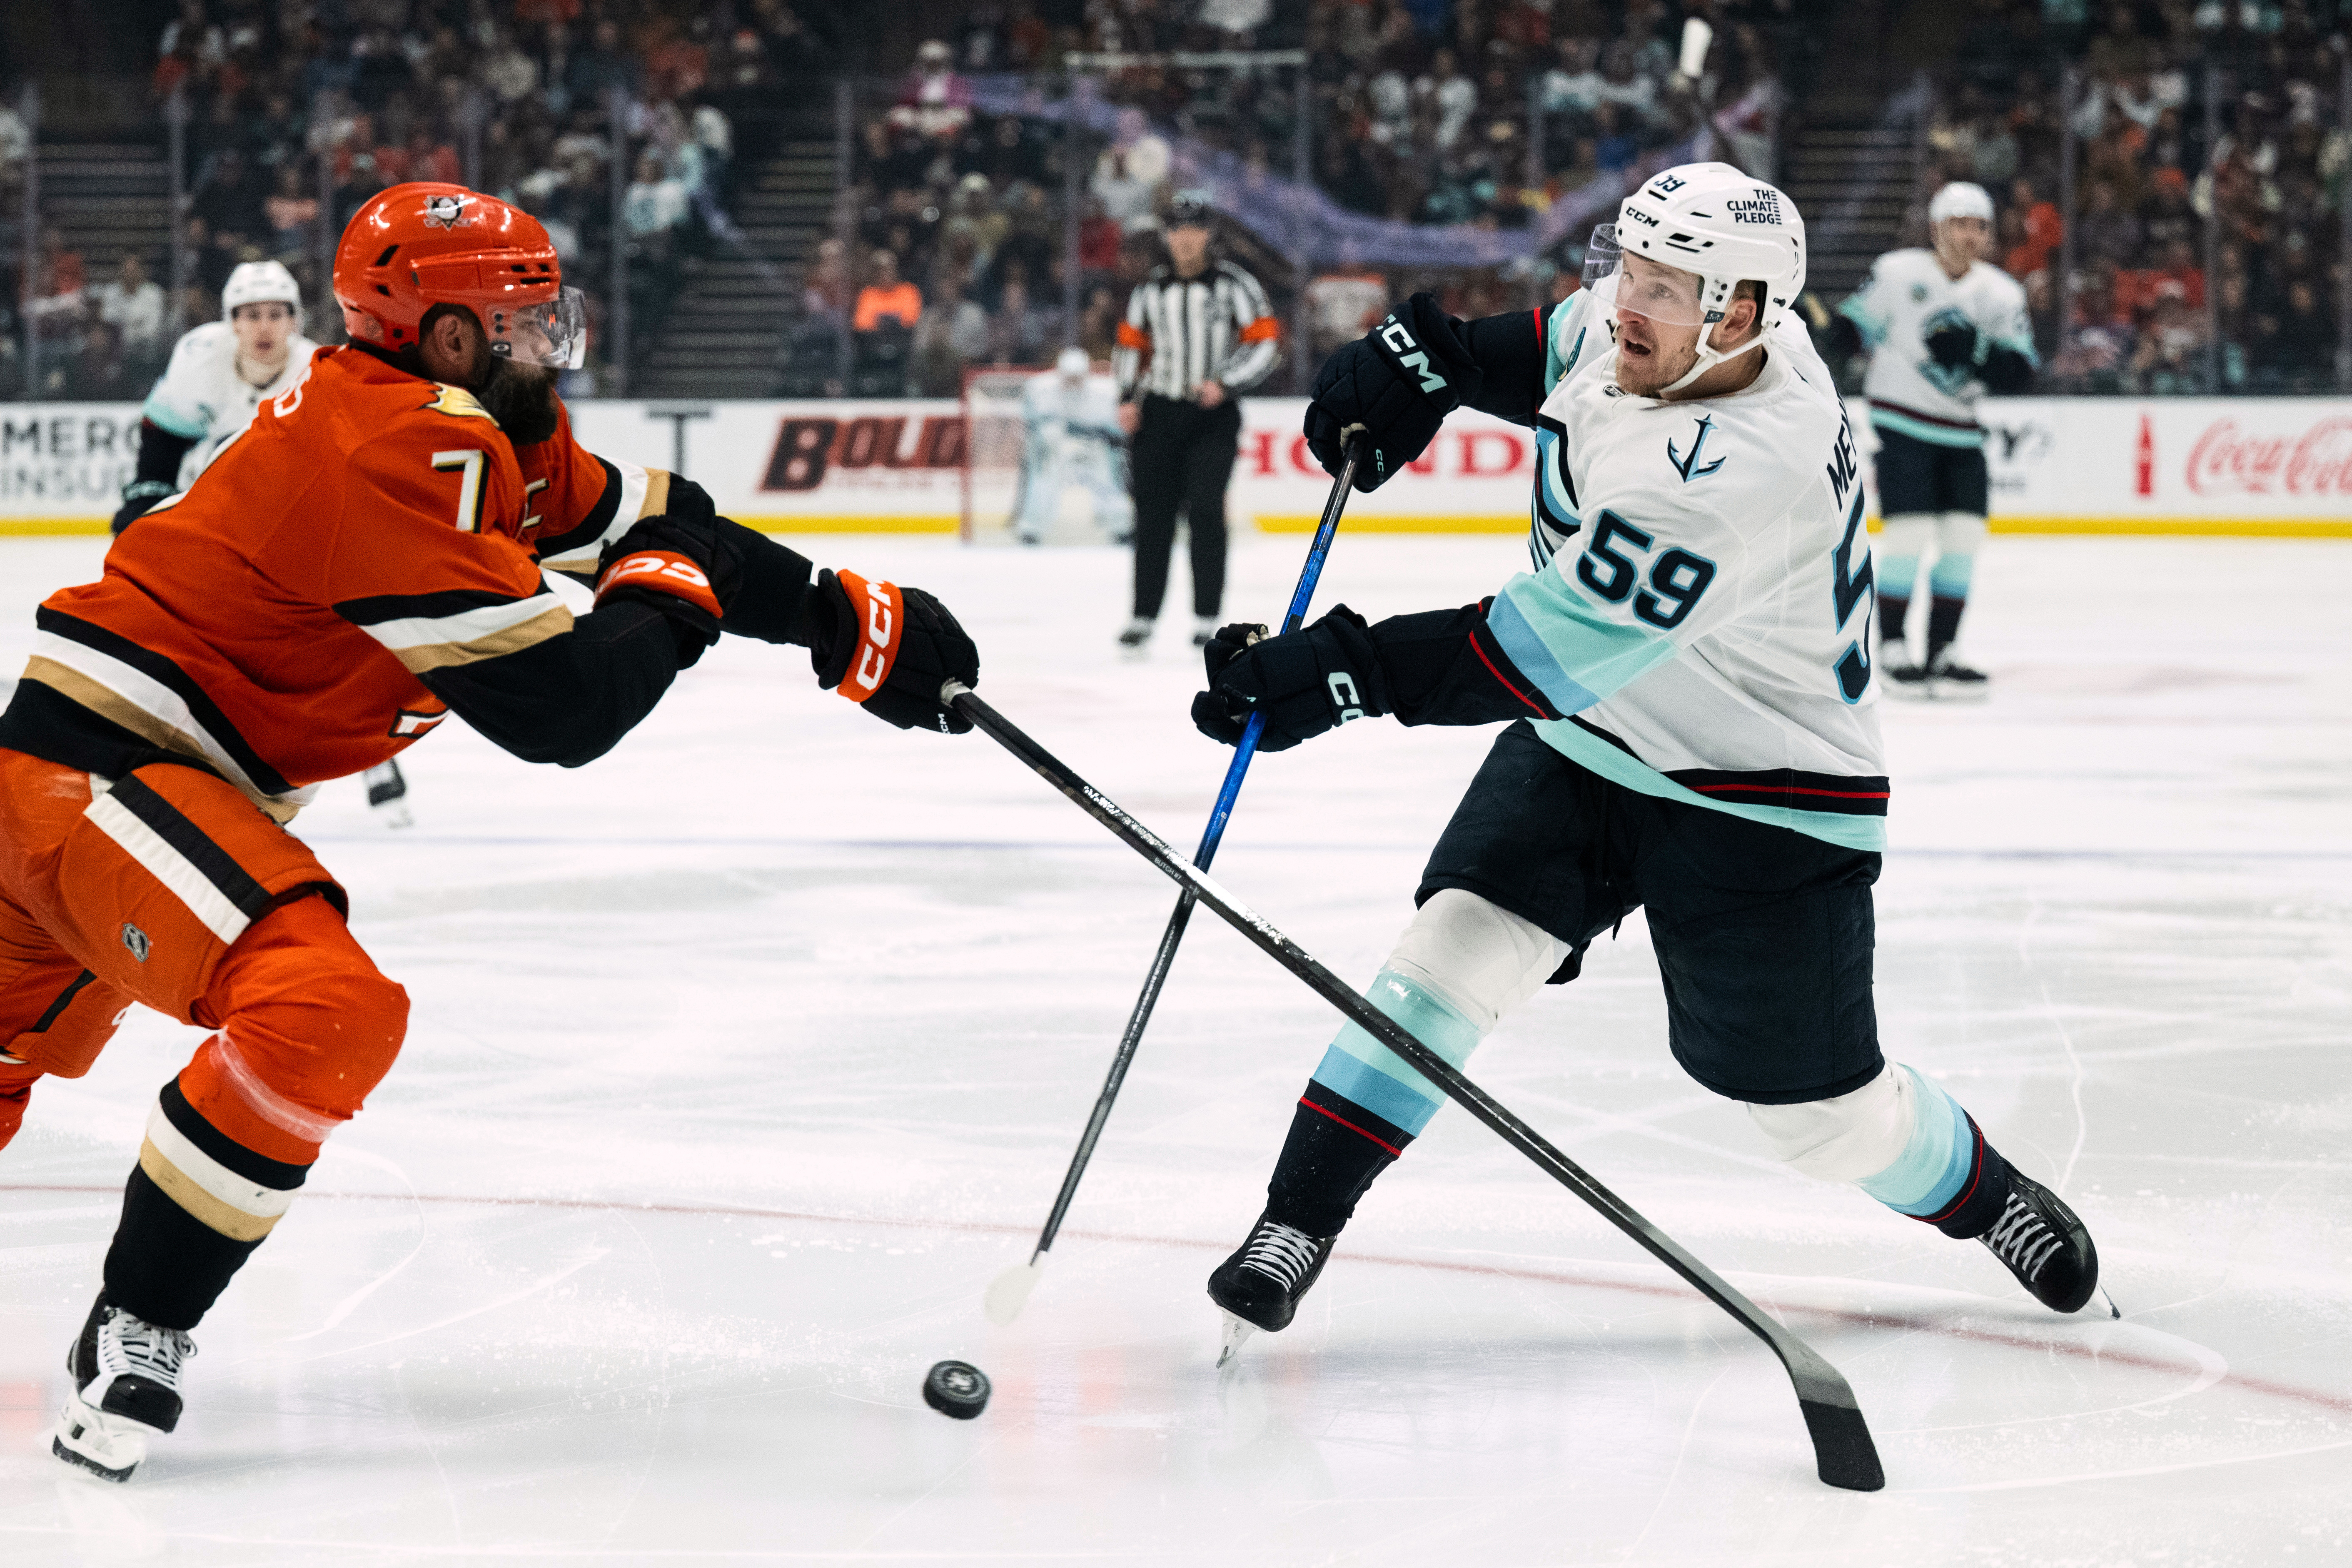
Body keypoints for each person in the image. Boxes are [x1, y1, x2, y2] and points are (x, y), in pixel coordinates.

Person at [0, 182, 981, 1483]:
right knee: (320, 1010)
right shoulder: (396, 444)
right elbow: (562, 709)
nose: (552, 343)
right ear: (451, 334)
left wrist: (839, 616)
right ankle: (143, 1318)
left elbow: (664, 523)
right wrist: (672, 597)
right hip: (103, 779)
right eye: (526, 320)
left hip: (103, 787)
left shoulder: (474, 428)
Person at [1188, 163, 2100, 1361]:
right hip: (1596, 738)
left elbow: (1523, 653)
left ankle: (1986, 1195)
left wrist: (1336, 670)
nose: (1624, 302)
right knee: (1442, 961)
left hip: (1763, 792)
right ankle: (1293, 1222)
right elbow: (1542, 345)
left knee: (1820, 1120)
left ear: (1739, 315)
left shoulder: (1742, 468)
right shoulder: (1663, 335)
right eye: (1628, 268)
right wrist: (1428, 360)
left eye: (1662, 288)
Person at [1823, 182, 2035, 699]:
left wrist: (1978, 352)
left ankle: (1943, 650)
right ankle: (1893, 647)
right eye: (1959, 224)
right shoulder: (1898, 273)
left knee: (1963, 540)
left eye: (1979, 226)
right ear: (1937, 228)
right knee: (1908, 536)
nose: (1969, 235)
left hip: (1961, 432)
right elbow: (1854, 329)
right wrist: (1824, 330)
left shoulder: (2001, 294)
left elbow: (2021, 372)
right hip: (1903, 424)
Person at [1110, 192, 1280, 655]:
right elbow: (1130, 346)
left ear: (1207, 235)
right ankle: (1143, 616)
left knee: (1206, 510)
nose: (1185, 239)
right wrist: (1126, 398)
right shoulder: (1150, 290)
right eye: (1177, 230)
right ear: (1166, 236)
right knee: (1152, 517)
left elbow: (1265, 342)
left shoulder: (1233, 285)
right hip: (1158, 414)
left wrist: (1226, 383)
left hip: (1212, 416)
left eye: (1194, 229)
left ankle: (1206, 616)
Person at [1015, 346, 1132, 546]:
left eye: (1077, 377)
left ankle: (1122, 529)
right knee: (1044, 484)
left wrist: (1113, 442)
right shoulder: (1041, 389)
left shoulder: (1105, 392)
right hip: (1056, 448)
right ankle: (1031, 530)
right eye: (1069, 377)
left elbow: (1116, 427)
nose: (1073, 382)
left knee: (1107, 485)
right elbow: (1031, 422)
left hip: (1094, 448)